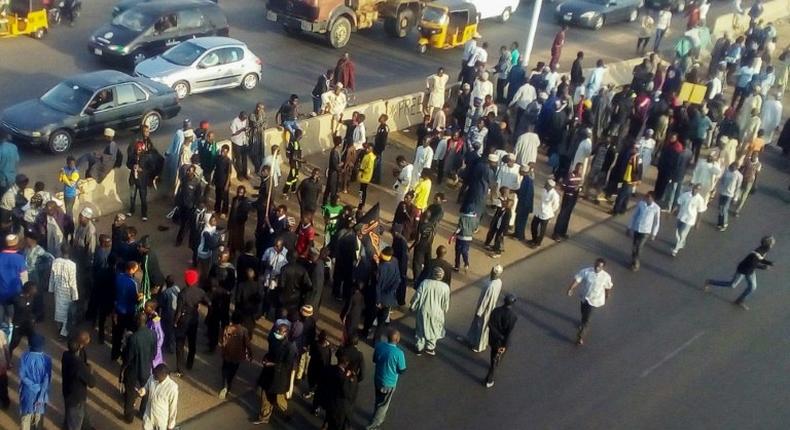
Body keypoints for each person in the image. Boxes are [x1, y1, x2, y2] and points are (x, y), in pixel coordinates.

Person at [704, 235, 775, 310]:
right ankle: (709, 282)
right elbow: (753, 263)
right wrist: (763, 267)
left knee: (752, 287)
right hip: (743, 269)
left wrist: (769, 263)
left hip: (750, 271)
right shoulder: (758, 252)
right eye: (771, 244)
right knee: (732, 285)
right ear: (767, 245)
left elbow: (761, 259)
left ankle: (739, 301)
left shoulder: (763, 251)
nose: (772, 246)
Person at [253, 323, 296, 425]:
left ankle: (288, 412)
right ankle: (264, 416)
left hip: (279, 378)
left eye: (279, 331)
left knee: (279, 400)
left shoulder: (290, 347)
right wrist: (265, 359)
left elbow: (288, 365)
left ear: (285, 333)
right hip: (268, 374)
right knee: (265, 395)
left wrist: (272, 364)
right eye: (277, 331)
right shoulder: (274, 340)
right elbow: (270, 353)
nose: (277, 333)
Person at [566, 258, 613, 346]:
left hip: (594, 300)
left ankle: (580, 336)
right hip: (584, 297)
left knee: (586, 319)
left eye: (599, 267)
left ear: (603, 268)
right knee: (583, 312)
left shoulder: (606, 277)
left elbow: (608, 287)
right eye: (596, 266)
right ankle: (583, 322)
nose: (597, 268)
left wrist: (607, 295)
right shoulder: (586, 271)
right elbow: (578, 280)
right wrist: (571, 288)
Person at [367, 328, 406, 430]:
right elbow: (402, 370)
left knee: (378, 399)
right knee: (383, 405)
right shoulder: (399, 353)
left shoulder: (379, 346)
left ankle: (376, 416)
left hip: (378, 378)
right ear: (397, 340)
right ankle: (374, 425)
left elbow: (374, 360)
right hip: (389, 383)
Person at [121, 312, 156, 423]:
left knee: (130, 393)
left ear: (137, 321)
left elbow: (129, 357)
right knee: (146, 391)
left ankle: (129, 416)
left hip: (133, 369)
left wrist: (123, 368)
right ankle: (142, 412)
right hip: (146, 367)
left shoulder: (133, 338)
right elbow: (154, 353)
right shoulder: (153, 334)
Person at [174, 269, 210, 375]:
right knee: (192, 343)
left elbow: (179, 311)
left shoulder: (182, 293)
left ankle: (179, 369)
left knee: (179, 345)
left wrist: (175, 322)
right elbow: (208, 302)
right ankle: (190, 363)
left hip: (183, 321)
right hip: (193, 320)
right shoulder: (200, 292)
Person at [410, 266, 450, 355]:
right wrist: (444, 310)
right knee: (434, 329)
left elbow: (418, 296)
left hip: (423, 310)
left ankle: (419, 348)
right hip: (437, 312)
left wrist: (412, 306)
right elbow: (445, 302)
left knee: (420, 329)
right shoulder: (445, 287)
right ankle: (430, 348)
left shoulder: (425, 283)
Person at [463, 265, 503, 353]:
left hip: (485, 310)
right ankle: (470, 339)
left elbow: (485, 301)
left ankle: (479, 346)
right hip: (488, 307)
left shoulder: (491, 286)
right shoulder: (498, 282)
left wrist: (479, 312)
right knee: (477, 325)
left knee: (482, 327)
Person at [62, 330, 95, 430]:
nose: (89, 340)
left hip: (67, 390)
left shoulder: (66, 355)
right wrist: (90, 371)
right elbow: (92, 383)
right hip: (76, 397)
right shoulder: (79, 365)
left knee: (74, 412)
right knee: (75, 419)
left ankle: (86, 426)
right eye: (88, 338)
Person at [485, 293, 518, 388]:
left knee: (493, 353)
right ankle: (489, 378)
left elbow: (490, 324)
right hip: (502, 341)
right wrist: (504, 345)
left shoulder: (495, 310)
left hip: (493, 338)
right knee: (497, 358)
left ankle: (493, 363)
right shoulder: (512, 316)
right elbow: (508, 333)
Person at [19, 335, 51, 430]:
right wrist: (41, 395)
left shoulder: (24, 356)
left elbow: (22, 375)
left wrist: (33, 386)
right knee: (38, 417)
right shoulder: (47, 359)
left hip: (27, 392)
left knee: (26, 417)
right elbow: (47, 379)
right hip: (41, 392)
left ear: (30, 345)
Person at [219, 311, 251, 399]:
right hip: (238, 355)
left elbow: (223, 341)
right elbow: (247, 344)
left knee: (225, 369)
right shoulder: (244, 330)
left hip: (227, 353)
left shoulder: (227, 328)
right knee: (233, 370)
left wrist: (223, 350)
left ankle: (225, 385)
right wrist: (250, 354)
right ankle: (228, 384)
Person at [49, 244, 78, 338]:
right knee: (66, 312)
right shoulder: (72, 265)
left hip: (58, 289)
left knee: (58, 310)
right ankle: (63, 333)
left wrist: (51, 289)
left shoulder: (55, 261)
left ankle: (60, 328)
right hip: (67, 291)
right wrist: (75, 296)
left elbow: (52, 277)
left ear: (61, 251)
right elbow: (73, 282)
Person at [112, 261, 139, 360]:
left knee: (117, 334)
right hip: (128, 311)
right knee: (129, 334)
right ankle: (126, 356)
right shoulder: (133, 283)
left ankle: (114, 354)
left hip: (118, 310)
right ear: (131, 269)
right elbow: (134, 299)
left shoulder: (118, 277)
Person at [373, 247, 401, 343]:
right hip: (389, 298)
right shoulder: (395, 261)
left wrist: (378, 301)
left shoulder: (382, 268)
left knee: (372, 315)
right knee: (381, 322)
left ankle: (367, 332)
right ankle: (376, 340)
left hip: (380, 297)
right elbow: (398, 280)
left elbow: (378, 286)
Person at [627, 192, 661, 271]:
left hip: (646, 231)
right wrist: (629, 227)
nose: (646, 198)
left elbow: (656, 222)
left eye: (648, 197)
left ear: (652, 198)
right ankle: (633, 259)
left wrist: (654, 234)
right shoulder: (641, 204)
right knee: (634, 246)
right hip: (637, 228)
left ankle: (636, 262)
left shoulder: (656, 208)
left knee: (639, 247)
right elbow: (634, 215)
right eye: (646, 196)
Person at [0, 233, 28, 326]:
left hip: (1, 293)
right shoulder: (19, 258)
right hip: (14, 295)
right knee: (11, 322)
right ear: (15, 245)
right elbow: (24, 278)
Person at [671, 184, 707, 256]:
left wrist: (698, 223)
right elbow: (678, 203)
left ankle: (676, 249)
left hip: (690, 219)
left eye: (698, 189)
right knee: (678, 232)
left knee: (683, 233)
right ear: (693, 188)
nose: (696, 190)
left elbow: (701, 211)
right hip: (681, 216)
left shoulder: (700, 199)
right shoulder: (685, 195)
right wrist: (672, 212)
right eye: (695, 188)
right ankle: (681, 242)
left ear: (700, 191)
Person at [142, 363, 179, 430]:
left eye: (156, 376)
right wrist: (143, 391)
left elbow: (173, 407)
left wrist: (170, 425)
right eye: (154, 374)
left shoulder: (172, 387)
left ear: (164, 375)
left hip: (161, 420)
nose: (154, 377)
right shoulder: (152, 377)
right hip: (149, 415)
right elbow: (146, 387)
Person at [528, 179, 561, 248]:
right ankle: (534, 239)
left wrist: (550, 211)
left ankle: (538, 243)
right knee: (533, 225)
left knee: (542, 230)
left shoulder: (554, 195)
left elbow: (556, 206)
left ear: (550, 186)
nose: (545, 185)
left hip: (546, 214)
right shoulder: (544, 190)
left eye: (546, 184)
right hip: (539, 211)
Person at [230, 111, 250, 180]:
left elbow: (246, 128)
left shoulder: (245, 120)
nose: (245, 120)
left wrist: (246, 131)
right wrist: (241, 130)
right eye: (243, 118)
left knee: (245, 159)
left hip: (243, 141)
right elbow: (233, 133)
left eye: (245, 118)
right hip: (236, 142)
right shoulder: (234, 122)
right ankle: (239, 175)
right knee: (238, 159)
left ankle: (245, 174)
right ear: (240, 116)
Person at [213, 144, 232, 217]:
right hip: (218, 181)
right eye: (222, 151)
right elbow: (216, 169)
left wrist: (227, 184)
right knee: (218, 196)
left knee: (225, 198)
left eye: (224, 151)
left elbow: (229, 174)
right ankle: (217, 209)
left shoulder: (228, 161)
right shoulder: (218, 158)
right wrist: (214, 179)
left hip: (224, 182)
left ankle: (224, 211)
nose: (222, 152)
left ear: (227, 152)